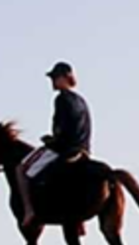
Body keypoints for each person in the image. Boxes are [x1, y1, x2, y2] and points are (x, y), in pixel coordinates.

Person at [16, 61, 93, 227]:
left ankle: (29, 210)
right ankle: (78, 221)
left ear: (65, 77)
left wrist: (52, 140)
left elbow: (61, 128)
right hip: (84, 150)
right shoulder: (81, 101)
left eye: (55, 77)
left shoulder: (61, 99)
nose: (52, 81)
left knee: (21, 169)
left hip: (64, 149)